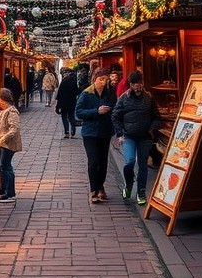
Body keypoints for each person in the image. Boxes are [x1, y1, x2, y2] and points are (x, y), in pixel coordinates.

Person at [112, 70, 161, 205]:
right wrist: (120, 133)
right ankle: (128, 185)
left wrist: (151, 130)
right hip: (129, 136)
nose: (137, 86)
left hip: (145, 137)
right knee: (129, 162)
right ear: (130, 85)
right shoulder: (124, 98)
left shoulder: (149, 98)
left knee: (143, 165)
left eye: (139, 83)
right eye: (134, 83)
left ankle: (141, 192)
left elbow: (157, 117)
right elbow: (115, 116)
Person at [74, 67, 116, 203]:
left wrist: (110, 112)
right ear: (94, 79)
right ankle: (93, 189)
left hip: (105, 131)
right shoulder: (86, 94)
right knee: (94, 161)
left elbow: (115, 108)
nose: (103, 82)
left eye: (105, 79)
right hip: (90, 132)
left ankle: (100, 187)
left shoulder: (110, 93)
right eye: (100, 79)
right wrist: (96, 111)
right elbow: (79, 112)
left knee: (103, 162)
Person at [0, 87, 22, 201]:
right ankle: (3, 189)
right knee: (2, 167)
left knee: (6, 167)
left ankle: (9, 192)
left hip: (8, 145)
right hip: (1, 144)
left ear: (4, 100)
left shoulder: (11, 111)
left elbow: (14, 128)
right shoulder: (3, 111)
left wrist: (3, 138)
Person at [55, 68, 78, 138]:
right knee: (71, 116)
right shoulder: (74, 81)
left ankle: (67, 132)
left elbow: (60, 94)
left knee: (64, 117)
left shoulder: (64, 82)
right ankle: (73, 127)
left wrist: (58, 105)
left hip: (64, 103)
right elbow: (77, 91)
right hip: (72, 102)